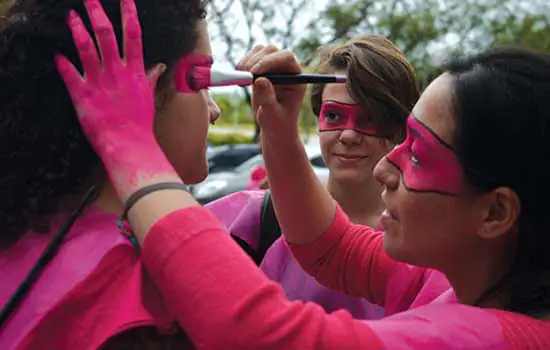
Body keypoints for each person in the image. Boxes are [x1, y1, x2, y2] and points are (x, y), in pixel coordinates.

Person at [55, 0, 550, 348]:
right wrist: (280, 129)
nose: (383, 166)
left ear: (496, 212)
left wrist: (130, 146)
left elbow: (256, 336)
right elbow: (330, 247)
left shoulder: (492, 337)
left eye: (416, 154)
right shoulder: (452, 280)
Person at [0, 0, 219, 348]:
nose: (215, 109)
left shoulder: (21, 229)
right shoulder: (142, 302)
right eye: (201, 80)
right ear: (138, 90)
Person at [207, 35, 423, 319]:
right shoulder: (254, 220)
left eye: (370, 118)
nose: (348, 135)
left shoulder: (426, 242)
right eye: (334, 116)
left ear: (400, 127)